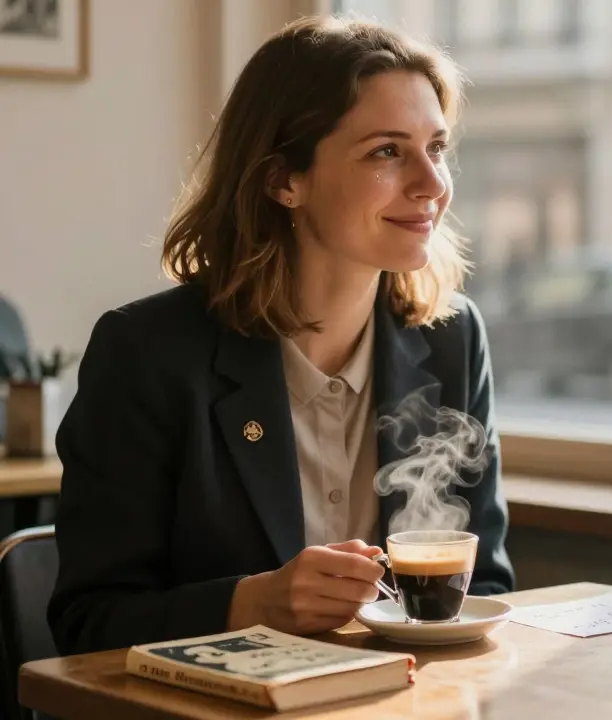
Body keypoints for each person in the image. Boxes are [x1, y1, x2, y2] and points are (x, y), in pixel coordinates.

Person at [48, 15, 515, 656]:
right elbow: (86, 625)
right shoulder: (147, 353)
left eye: (435, 147)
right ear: (283, 180)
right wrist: (252, 605)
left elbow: (483, 580)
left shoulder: (452, 337)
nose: (433, 185)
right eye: (387, 151)